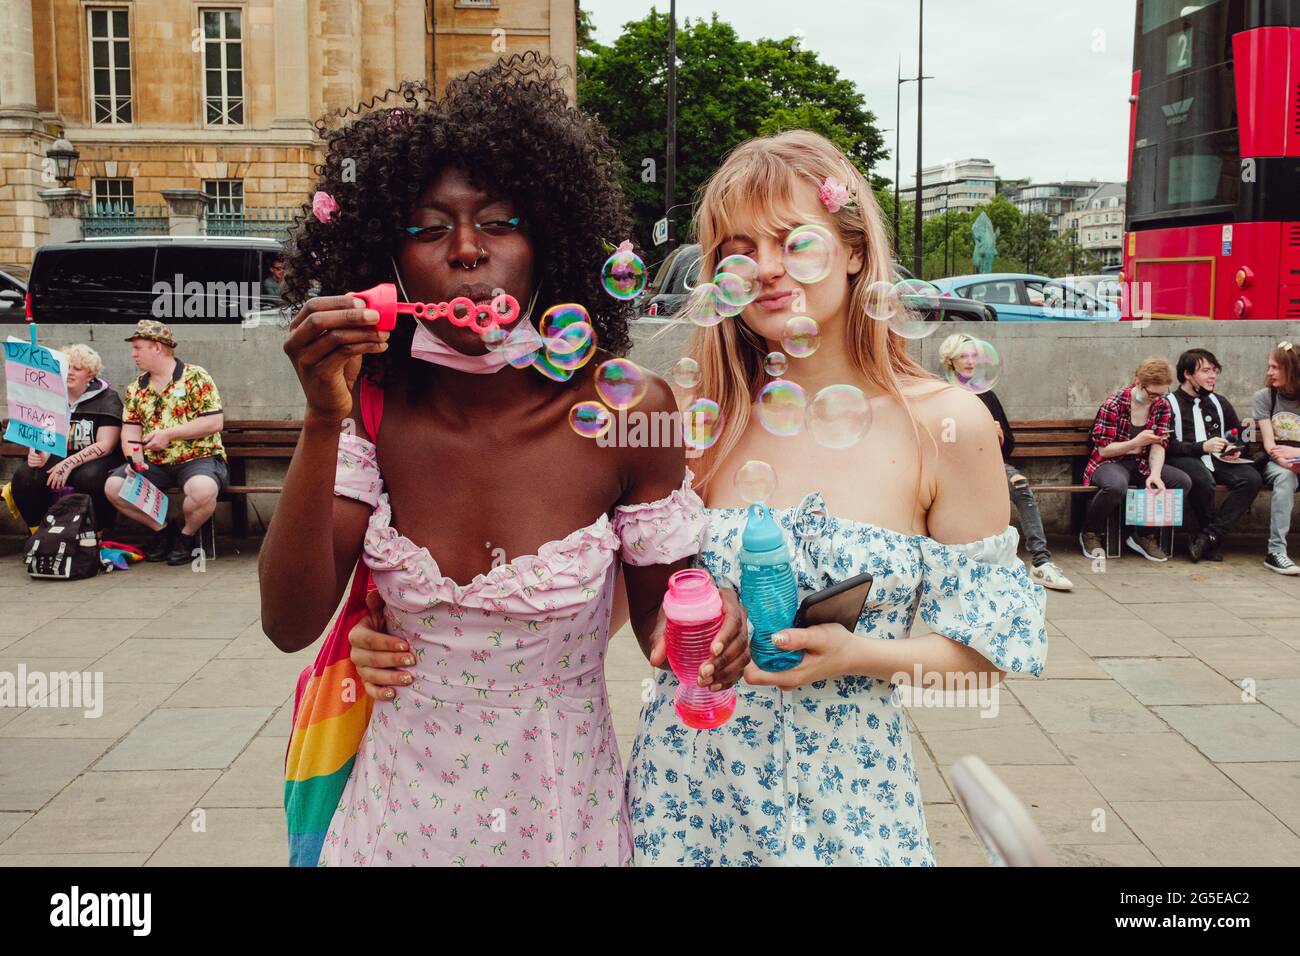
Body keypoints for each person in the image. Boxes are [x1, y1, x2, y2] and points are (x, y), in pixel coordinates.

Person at [261, 56, 748, 867]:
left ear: (546, 242)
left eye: (498, 222)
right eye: (427, 228)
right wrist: (322, 417)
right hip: (393, 828)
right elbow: (288, 623)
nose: (464, 250)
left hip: (563, 825)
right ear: (384, 265)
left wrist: (714, 628)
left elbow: (666, 625)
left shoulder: (631, 412)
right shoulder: (370, 410)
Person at [939, 333, 1072, 590]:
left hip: (990, 465)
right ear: (950, 361)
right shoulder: (946, 395)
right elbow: (942, 443)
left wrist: (998, 438)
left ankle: (1041, 563)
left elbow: (1009, 445)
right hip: (957, 469)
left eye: (974, 356)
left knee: (1021, 486)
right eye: (963, 356)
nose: (969, 361)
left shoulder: (987, 394)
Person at [103, 320, 229, 565]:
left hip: (197, 458)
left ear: (157, 347)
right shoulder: (136, 389)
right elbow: (130, 431)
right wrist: (134, 458)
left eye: (138, 347)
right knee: (114, 486)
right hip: (154, 463)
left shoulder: (195, 377)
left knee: (203, 490)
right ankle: (162, 531)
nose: (133, 354)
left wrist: (169, 434)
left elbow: (214, 423)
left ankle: (186, 536)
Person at [1080, 357, 1193, 562]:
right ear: (1138, 382)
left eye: (1162, 394)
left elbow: (1159, 445)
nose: (1156, 399)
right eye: (1152, 393)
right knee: (1115, 485)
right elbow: (1104, 450)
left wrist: (1156, 474)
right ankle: (1090, 532)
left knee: (1180, 481)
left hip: (1142, 463)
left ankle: (1143, 534)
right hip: (1109, 462)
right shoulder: (1114, 404)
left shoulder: (1162, 405)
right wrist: (1135, 442)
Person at [9, 344, 124, 534]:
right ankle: (40, 533)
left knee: (89, 478)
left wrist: (69, 463)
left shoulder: (107, 398)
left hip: (97, 457)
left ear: (90, 374)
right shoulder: (50, 396)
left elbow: (107, 444)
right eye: (66, 367)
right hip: (60, 454)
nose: (69, 373)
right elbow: (43, 432)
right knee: (25, 476)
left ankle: (95, 532)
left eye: (77, 369)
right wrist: (38, 452)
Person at [1164, 348, 1262, 562]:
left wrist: (1235, 450)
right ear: (1188, 374)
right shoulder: (1169, 403)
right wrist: (1201, 447)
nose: (1212, 376)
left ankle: (1209, 536)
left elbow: (1238, 436)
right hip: (1185, 458)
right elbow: (1167, 445)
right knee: (1202, 480)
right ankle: (1208, 538)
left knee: (1251, 478)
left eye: (1214, 371)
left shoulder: (1219, 402)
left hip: (1219, 460)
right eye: (1205, 371)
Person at [1252, 341, 1300, 575]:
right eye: (1269, 366)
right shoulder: (1265, 397)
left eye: (1275, 367)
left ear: (1292, 369)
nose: (1269, 372)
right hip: (1277, 462)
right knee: (1285, 477)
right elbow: (1270, 443)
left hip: (1295, 456)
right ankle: (1276, 552)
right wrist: (1284, 458)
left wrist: (1296, 453)